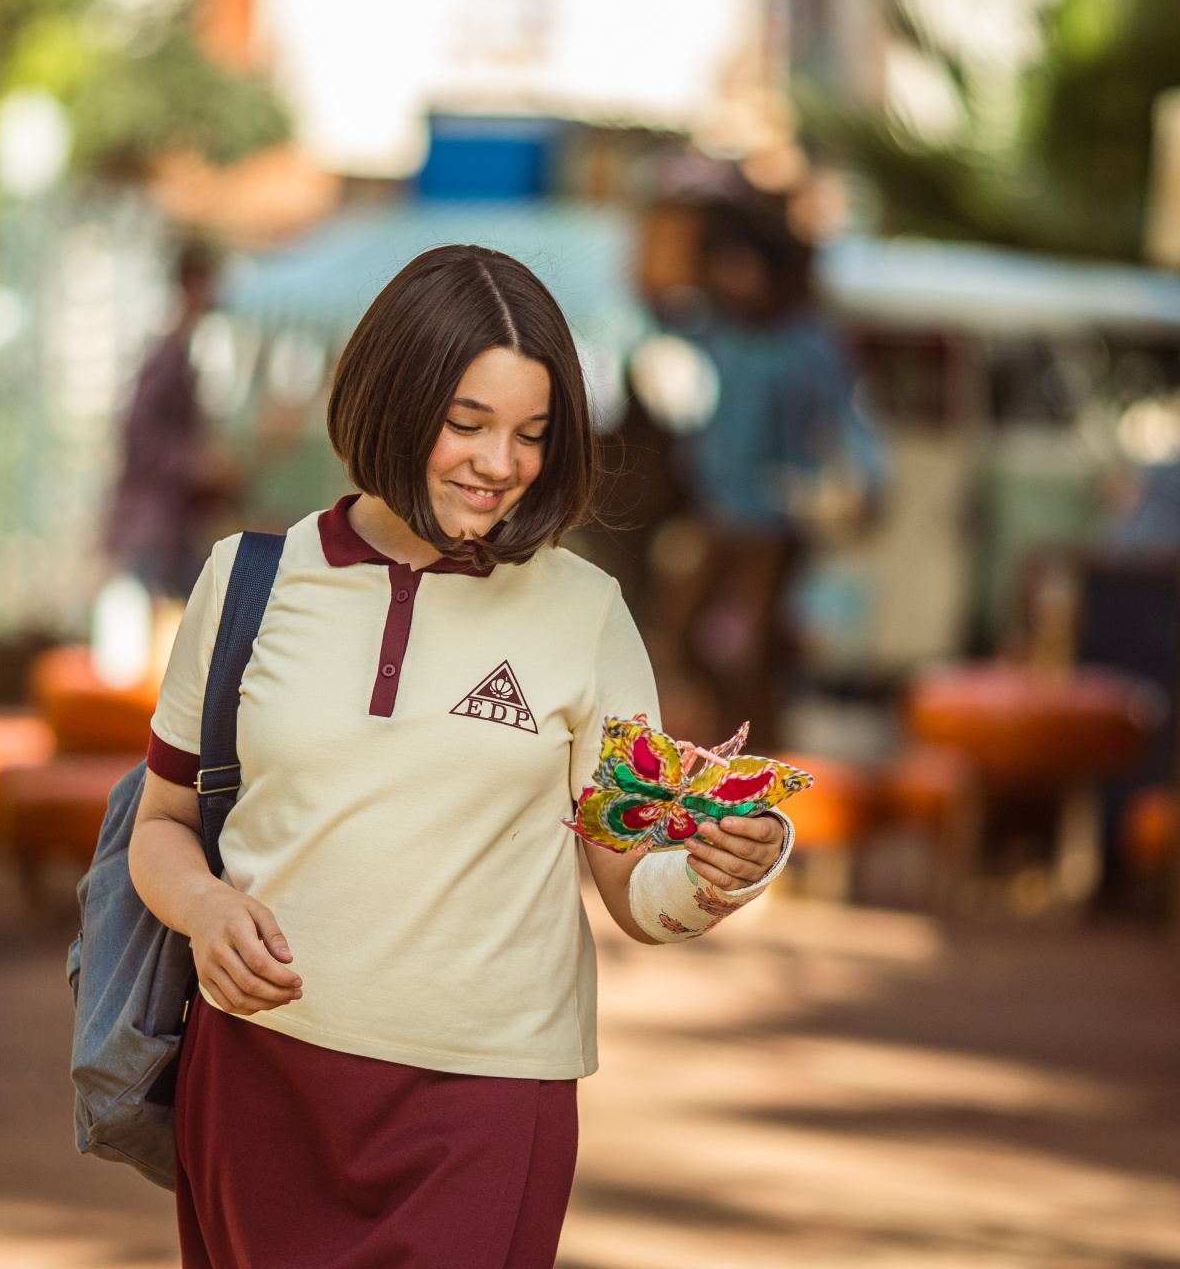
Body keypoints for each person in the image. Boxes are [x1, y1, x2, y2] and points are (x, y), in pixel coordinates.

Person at [128, 246, 795, 1266]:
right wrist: (208, 907)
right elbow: (163, 827)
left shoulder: (588, 614)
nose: (501, 463)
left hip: (483, 1101)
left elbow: (630, 885)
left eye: (532, 434)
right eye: (468, 423)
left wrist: (715, 882)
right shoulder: (247, 584)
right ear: (392, 401)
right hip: (258, 1080)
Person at [655, 198, 883, 746]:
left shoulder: (809, 344)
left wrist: (862, 484)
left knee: (751, 654)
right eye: (729, 266)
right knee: (680, 640)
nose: (741, 280)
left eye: (751, 266)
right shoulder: (709, 329)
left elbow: (854, 422)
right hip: (713, 518)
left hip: (775, 529)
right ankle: (709, 750)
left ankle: (755, 766)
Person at [105, 241, 238, 598]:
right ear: (193, 283)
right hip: (154, 529)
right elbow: (136, 433)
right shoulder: (169, 354)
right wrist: (195, 463)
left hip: (166, 529)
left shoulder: (182, 349)